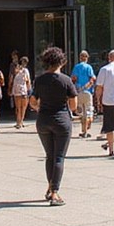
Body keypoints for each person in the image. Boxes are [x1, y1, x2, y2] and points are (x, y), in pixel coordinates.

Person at [30, 46, 78, 206]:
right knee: (59, 157)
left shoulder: (40, 79)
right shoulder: (66, 80)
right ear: (61, 61)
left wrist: (39, 108)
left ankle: (50, 188)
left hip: (43, 120)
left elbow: (32, 101)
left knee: (49, 156)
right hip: (61, 120)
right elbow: (73, 105)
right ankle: (55, 192)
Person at [71, 50, 96, 138]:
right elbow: (92, 78)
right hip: (88, 91)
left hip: (79, 91)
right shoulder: (89, 67)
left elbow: (73, 78)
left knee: (81, 112)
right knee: (88, 111)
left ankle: (84, 131)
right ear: (87, 58)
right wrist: (88, 86)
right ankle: (88, 124)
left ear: (80, 58)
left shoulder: (76, 67)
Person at [11, 56, 31, 129]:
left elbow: (28, 80)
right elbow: (13, 77)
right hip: (17, 90)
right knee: (18, 107)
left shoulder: (26, 71)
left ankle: (21, 121)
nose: (23, 64)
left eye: (25, 62)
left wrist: (29, 90)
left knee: (23, 107)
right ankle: (18, 121)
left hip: (23, 90)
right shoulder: (17, 70)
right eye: (22, 62)